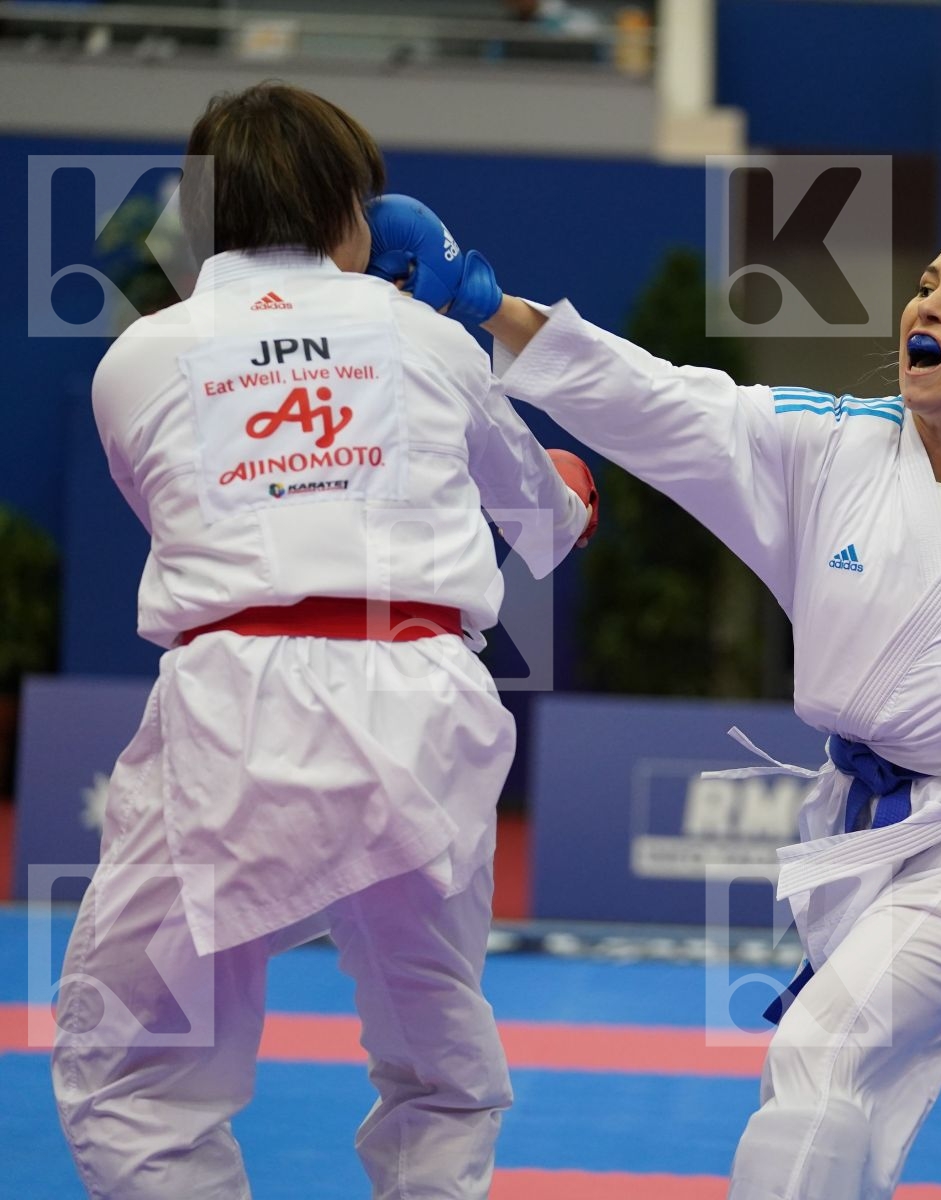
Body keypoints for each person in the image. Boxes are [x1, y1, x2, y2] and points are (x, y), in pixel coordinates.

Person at [370, 198, 941, 1197]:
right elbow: (656, 396)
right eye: (926, 284)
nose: (925, 304)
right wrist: (494, 308)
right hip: (863, 836)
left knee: (825, 1052)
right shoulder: (825, 447)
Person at [51, 84, 597, 1200]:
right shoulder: (432, 341)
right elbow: (548, 525)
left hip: (236, 704)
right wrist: (565, 470)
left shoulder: (136, 360)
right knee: (438, 1063)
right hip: (424, 706)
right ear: (356, 207)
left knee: (134, 1078)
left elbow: (187, 517)